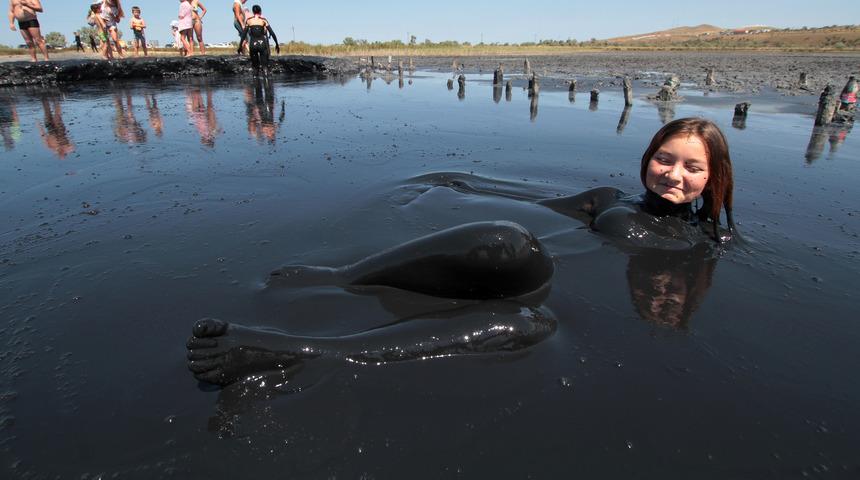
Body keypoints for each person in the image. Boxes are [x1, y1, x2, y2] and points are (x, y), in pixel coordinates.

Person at [186, 117, 737, 386]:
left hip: (557, 301)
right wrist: (464, 182)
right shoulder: (607, 198)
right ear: (647, 157)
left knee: (529, 326)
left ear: (713, 178)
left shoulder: (710, 239)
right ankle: (342, 276)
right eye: (665, 158)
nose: (673, 173)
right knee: (507, 237)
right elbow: (535, 198)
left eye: (692, 167)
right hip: (535, 266)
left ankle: (301, 350)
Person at [238, 5, 279, 74]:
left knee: (255, 68)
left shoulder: (249, 20)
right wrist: (277, 44)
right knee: (265, 67)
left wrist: (240, 46)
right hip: (262, 44)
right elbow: (272, 33)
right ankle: (266, 82)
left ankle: (255, 83)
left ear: (253, 12)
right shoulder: (263, 20)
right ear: (260, 11)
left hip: (253, 45)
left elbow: (244, 34)